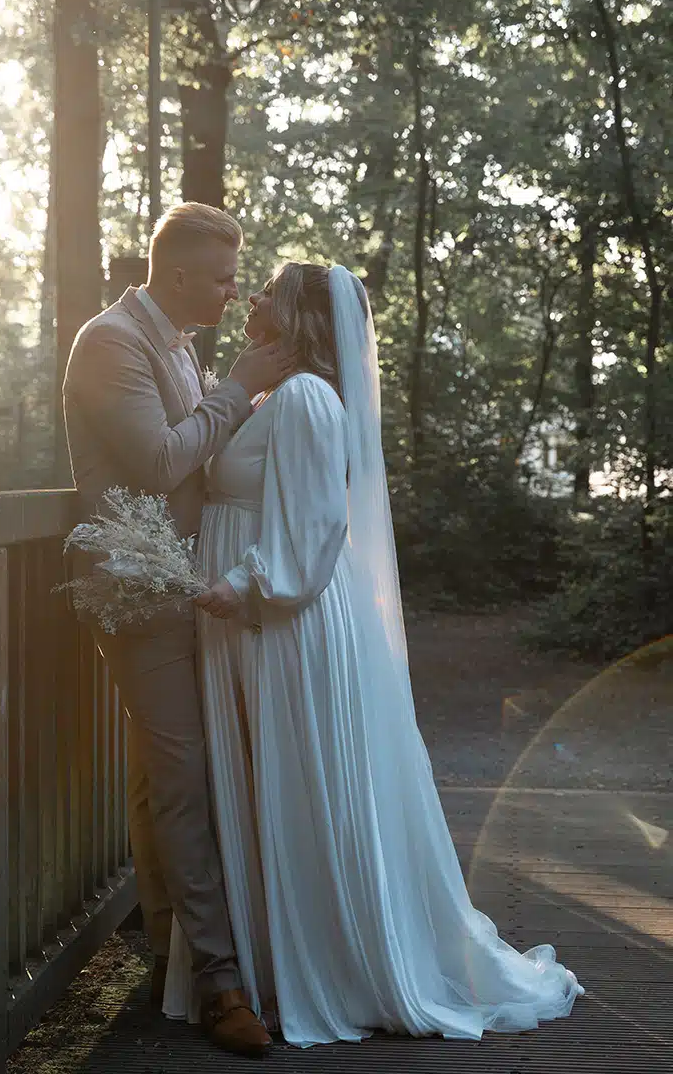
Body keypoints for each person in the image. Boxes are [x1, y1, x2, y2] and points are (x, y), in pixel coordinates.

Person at [163, 262, 584, 1047]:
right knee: (265, 788)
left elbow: (317, 524)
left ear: (297, 316)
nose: (250, 298)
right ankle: (278, 962)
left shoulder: (308, 399)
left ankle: (332, 966)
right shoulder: (271, 395)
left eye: (266, 291)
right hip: (254, 624)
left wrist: (249, 587)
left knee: (295, 784)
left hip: (279, 625)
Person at [62, 202, 297, 1058]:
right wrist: (239, 388)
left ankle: (167, 947)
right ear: (178, 274)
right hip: (139, 589)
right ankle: (218, 981)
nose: (236, 292)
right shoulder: (111, 341)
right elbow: (161, 461)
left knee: (160, 773)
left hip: (187, 588)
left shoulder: (178, 346)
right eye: (225, 278)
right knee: (185, 777)